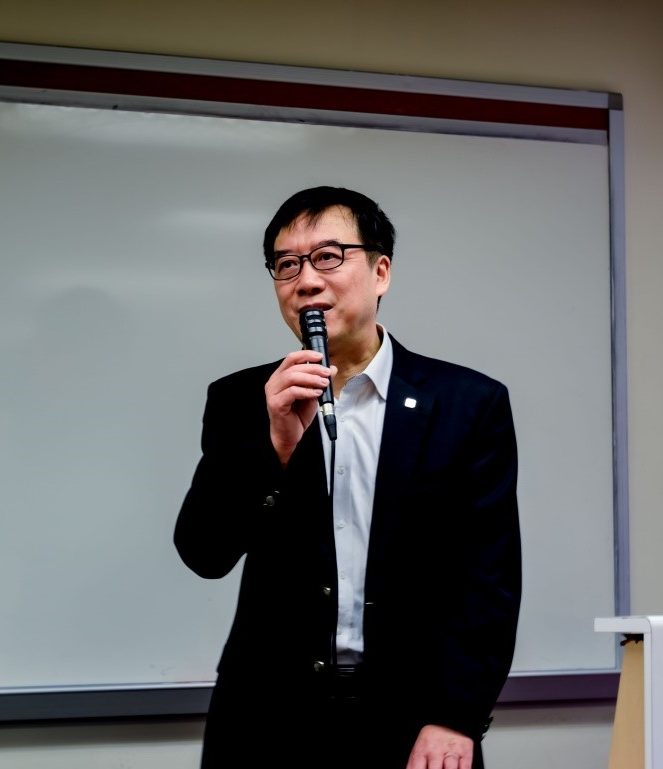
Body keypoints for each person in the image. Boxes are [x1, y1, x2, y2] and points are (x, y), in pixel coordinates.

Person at [174, 186, 522, 769]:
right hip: (266, 719)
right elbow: (203, 551)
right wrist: (276, 446)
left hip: (411, 716)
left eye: (328, 257)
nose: (306, 281)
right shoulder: (243, 400)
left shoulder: (466, 404)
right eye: (287, 265)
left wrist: (456, 715)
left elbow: (489, 577)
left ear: (381, 272)